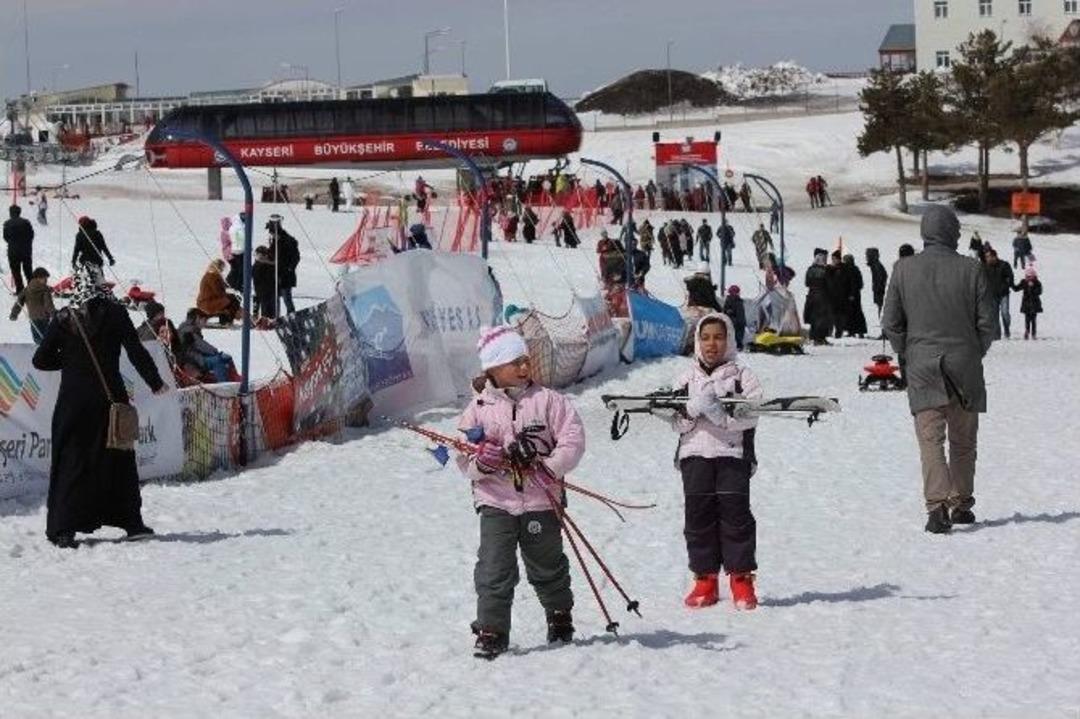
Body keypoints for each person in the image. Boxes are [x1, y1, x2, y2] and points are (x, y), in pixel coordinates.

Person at [455, 325, 585, 658]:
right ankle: (492, 629)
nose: (524, 367)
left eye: (526, 360)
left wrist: (548, 466)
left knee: (547, 563)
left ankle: (559, 614)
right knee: (494, 567)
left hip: (541, 499)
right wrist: (482, 461)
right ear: (493, 367)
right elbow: (463, 456)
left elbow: (572, 441)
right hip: (495, 502)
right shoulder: (478, 409)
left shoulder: (549, 401)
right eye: (515, 361)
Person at [31, 269, 167, 549]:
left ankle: (63, 529)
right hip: (110, 400)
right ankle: (131, 523)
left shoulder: (63, 318)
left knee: (71, 461)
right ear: (99, 285)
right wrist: (155, 382)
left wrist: (70, 362)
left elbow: (41, 360)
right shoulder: (116, 313)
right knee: (118, 460)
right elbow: (135, 351)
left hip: (73, 402)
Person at [882, 205, 996, 534]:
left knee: (930, 439)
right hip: (964, 364)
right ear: (952, 232)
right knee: (963, 440)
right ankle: (961, 503)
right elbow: (987, 324)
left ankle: (937, 506)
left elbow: (891, 322)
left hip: (922, 364)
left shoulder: (903, 269)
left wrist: (910, 352)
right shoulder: (972, 269)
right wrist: (973, 351)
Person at [661, 313, 762, 609]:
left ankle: (741, 579)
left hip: (732, 454)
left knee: (736, 517)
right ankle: (705, 579)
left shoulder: (743, 376)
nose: (711, 344)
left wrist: (721, 416)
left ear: (728, 339)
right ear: (697, 341)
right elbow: (675, 422)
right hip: (694, 454)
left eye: (718, 337)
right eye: (705, 338)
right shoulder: (685, 378)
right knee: (698, 518)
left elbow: (753, 414)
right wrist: (691, 410)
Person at [177, 308, 237, 382]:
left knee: (225, 358)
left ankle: (233, 379)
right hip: (193, 359)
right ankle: (225, 384)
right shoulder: (189, 331)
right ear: (198, 318)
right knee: (217, 360)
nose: (205, 324)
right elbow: (201, 345)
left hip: (194, 356)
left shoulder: (188, 328)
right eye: (204, 320)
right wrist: (216, 352)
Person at [10, 266, 55, 343]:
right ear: (38, 278)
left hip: (33, 319)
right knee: (47, 340)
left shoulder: (27, 289)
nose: (46, 280)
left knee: (37, 339)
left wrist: (14, 314)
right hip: (44, 318)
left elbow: (19, 303)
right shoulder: (44, 290)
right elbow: (48, 304)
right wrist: (54, 313)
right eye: (44, 278)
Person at [267, 215, 300, 315]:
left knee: (286, 297)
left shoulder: (287, 241)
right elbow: (272, 255)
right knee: (275, 297)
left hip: (285, 274)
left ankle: (291, 315)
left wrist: (290, 268)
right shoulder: (274, 242)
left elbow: (295, 257)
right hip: (275, 273)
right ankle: (276, 315)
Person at [196, 259, 242, 325]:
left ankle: (229, 318)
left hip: (208, 300)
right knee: (232, 300)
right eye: (222, 268)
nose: (222, 270)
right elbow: (218, 292)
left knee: (232, 299)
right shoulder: (212, 276)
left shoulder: (211, 275)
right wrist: (229, 293)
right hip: (208, 302)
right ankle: (227, 319)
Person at [983, 249, 1015, 339]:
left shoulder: (1004, 265)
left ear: (995, 256)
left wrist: (1007, 284)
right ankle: (997, 334)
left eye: (989, 256)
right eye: (986, 257)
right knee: (994, 315)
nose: (987, 259)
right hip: (992, 294)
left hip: (1003, 293)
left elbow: (1010, 277)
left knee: (1005, 313)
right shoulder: (985, 267)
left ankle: (1007, 329)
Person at [71, 216, 116, 280]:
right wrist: (110, 258)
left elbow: (76, 250)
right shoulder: (97, 233)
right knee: (99, 276)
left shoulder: (80, 235)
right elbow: (104, 247)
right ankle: (101, 284)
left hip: (85, 260)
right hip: (97, 260)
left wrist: (73, 261)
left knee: (85, 276)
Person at [803, 248, 832, 345]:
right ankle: (820, 337)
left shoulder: (810, 269)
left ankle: (815, 337)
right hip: (823, 296)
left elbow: (806, 283)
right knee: (822, 318)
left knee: (813, 318)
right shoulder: (825, 270)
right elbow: (829, 284)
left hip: (812, 295)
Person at [4, 205, 35, 294]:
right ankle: (32, 289)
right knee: (28, 270)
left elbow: (5, 237)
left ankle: (20, 290)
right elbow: (31, 235)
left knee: (16, 272)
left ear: (10, 213)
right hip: (26, 251)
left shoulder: (7, 223)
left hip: (13, 251)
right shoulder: (26, 222)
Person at [841, 254, 868, 338]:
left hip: (851, 295)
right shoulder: (855, 269)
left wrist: (851, 294)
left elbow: (853, 283)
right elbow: (860, 284)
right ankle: (858, 331)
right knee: (856, 313)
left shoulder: (849, 270)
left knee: (852, 313)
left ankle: (852, 331)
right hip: (855, 295)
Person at [1013, 266, 1042, 340]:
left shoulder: (1037, 283)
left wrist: (1032, 287)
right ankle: (1027, 331)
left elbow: (1039, 292)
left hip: (1034, 304)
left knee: (1033, 320)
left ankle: (1034, 333)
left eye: (1030, 276)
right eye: (1027, 276)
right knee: (1027, 319)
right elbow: (1016, 288)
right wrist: (1010, 283)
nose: (1028, 278)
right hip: (1026, 304)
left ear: (1034, 276)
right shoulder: (1024, 282)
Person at [252, 246, 278, 321]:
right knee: (259, 304)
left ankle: (265, 319)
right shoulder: (258, 264)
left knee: (266, 306)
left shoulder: (268, 264)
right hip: (260, 288)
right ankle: (258, 318)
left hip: (266, 289)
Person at [865, 247, 889, 318]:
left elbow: (882, 277)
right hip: (879, 289)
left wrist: (878, 288)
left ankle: (880, 319)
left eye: (867, 255)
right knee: (879, 306)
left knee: (880, 306)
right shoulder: (875, 265)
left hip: (879, 290)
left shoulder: (876, 265)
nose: (866, 257)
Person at [227, 212, 247, 290]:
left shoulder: (235, 225)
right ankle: (237, 285)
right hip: (239, 250)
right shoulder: (238, 226)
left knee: (238, 269)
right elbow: (242, 237)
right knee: (240, 270)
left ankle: (236, 284)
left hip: (238, 250)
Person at [723, 286, 747, 350]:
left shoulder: (739, 301)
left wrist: (742, 321)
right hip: (732, 321)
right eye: (733, 292)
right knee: (733, 333)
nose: (735, 294)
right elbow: (725, 310)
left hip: (740, 321)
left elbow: (741, 313)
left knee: (739, 334)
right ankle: (734, 344)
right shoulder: (729, 300)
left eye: (736, 292)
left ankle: (739, 344)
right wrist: (729, 312)